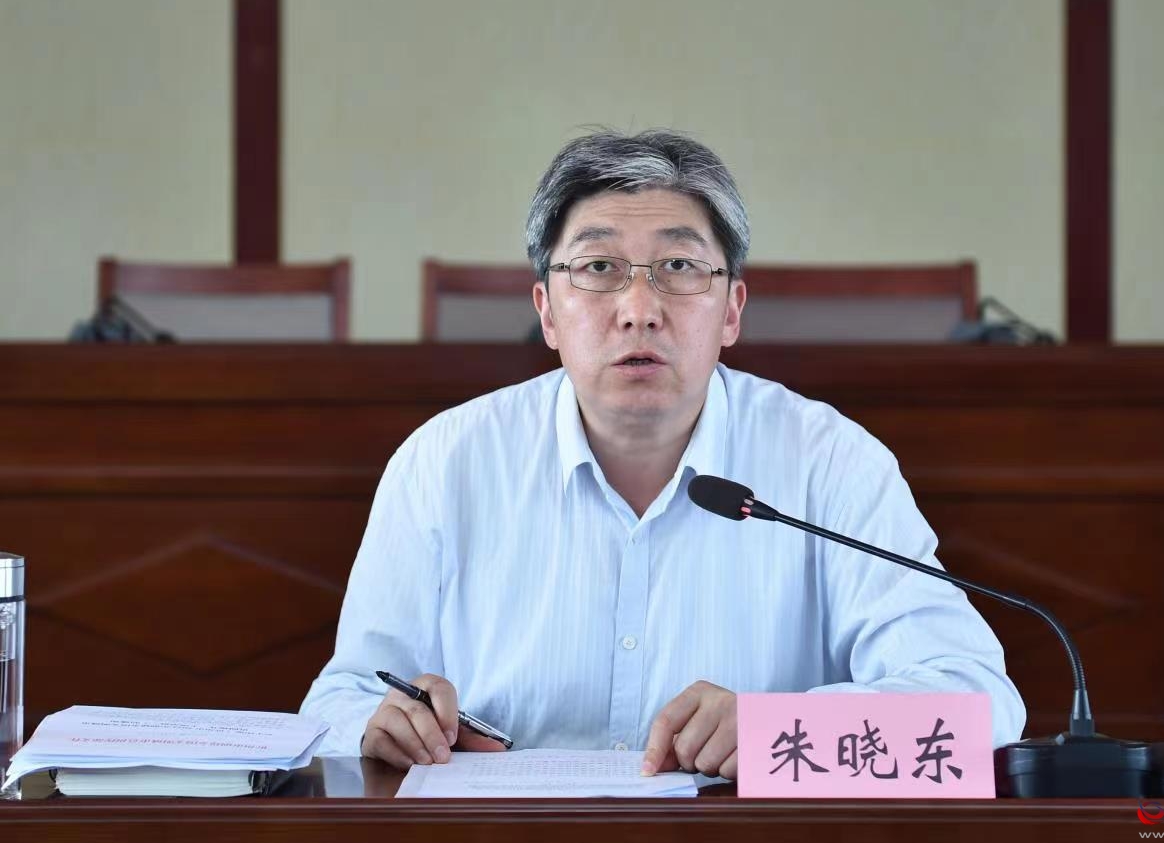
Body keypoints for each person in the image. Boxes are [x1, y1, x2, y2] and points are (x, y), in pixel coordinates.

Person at [300, 129, 1025, 779]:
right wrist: (379, 725)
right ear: (547, 311)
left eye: (679, 266)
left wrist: (778, 730)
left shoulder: (831, 463)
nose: (639, 309)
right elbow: (341, 698)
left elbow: (978, 704)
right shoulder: (444, 463)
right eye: (598, 267)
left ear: (732, 310)